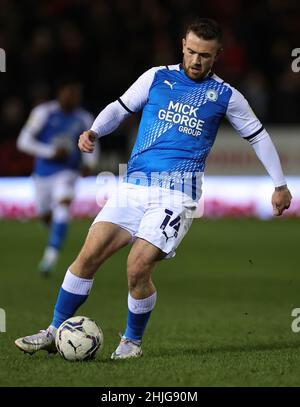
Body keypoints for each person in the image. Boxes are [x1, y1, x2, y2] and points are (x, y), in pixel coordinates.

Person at [15, 18, 292, 359]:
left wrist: (280, 184)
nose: (196, 61)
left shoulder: (225, 96)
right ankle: (53, 331)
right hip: (134, 185)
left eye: (205, 55)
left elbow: (258, 136)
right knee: (88, 255)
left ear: (218, 55)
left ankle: (131, 342)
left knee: (137, 266)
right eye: (191, 52)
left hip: (178, 194)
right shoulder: (156, 77)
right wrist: (94, 132)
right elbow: (120, 108)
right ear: (182, 46)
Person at [17, 79, 99, 275]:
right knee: (46, 215)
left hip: (67, 172)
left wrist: (89, 164)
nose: (73, 97)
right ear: (60, 92)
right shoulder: (43, 112)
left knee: (63, 206)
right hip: (42, 174)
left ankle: (50, 258)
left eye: (76, 94)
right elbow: (23, 141)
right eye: (69, 92)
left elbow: (95, 143)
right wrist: (50, 152)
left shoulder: (84, 118)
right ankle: (49, 224)